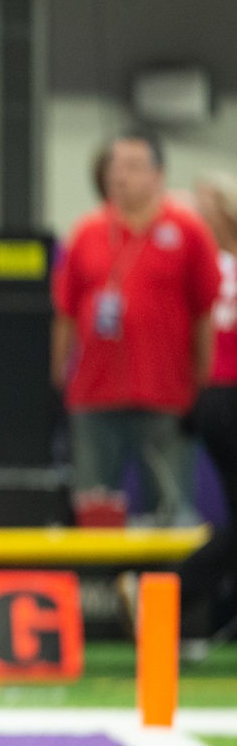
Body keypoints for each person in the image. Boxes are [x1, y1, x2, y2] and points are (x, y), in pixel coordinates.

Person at [51, 132, 221, 525]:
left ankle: (172, 586)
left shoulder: (188, 232)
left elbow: (203, 314)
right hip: (94, 397)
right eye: (114, 166)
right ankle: (96, 587)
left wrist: (202, 383)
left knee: (170, 510)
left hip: (165, 397)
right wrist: (58, 374)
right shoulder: (87, 232)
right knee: (93, 513)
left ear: (158, 175)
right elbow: (66, 313)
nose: (119, 176)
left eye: (132, 166)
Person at [176, 173, 237, 636]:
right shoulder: (207, 264)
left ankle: (222, 615)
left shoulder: (201, 265)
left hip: (205, 397)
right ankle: (164, 590)